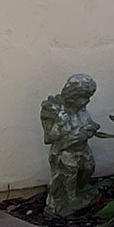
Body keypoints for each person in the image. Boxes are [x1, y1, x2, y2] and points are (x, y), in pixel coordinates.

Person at [41, 74, 99, 217]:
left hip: (83, 149)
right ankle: (68, 200)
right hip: (66, 153)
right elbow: (49, 137)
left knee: (88, 168)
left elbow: (90, 124)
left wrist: (85, 132)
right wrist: (59, 123)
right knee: (69, 177)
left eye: (89, 97)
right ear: (73, 96)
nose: (87, 101)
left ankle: (78, 193)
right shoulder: (55, 111)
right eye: (84, 97)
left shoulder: (81, 110)